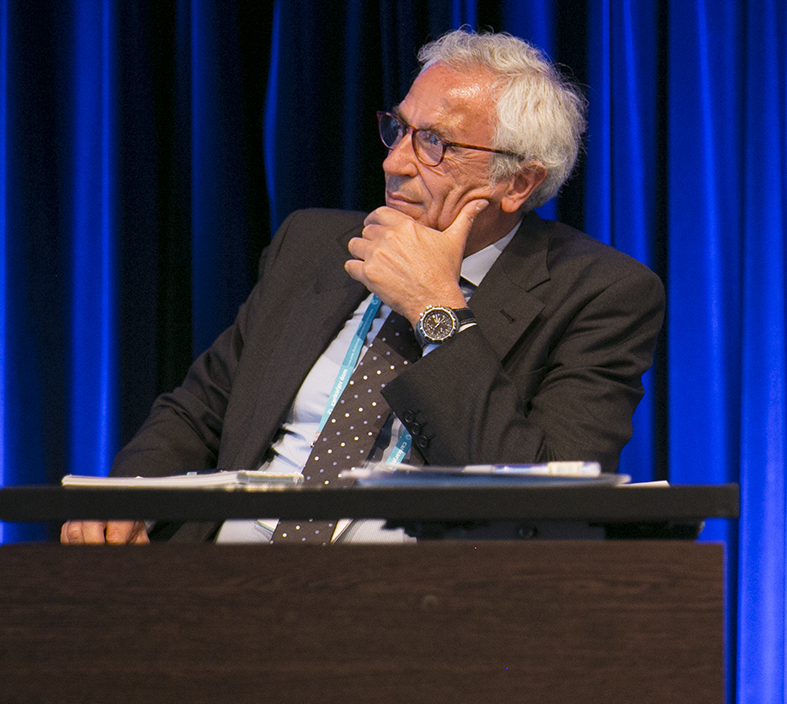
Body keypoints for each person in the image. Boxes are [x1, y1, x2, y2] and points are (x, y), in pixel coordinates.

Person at [62, 30, 662, 544]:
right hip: (228, 571)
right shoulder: (314, 245)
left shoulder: (602, 295)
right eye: (400, 130)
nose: (395, 162)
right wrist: (127, 496)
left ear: (518, 184)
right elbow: (199, 412)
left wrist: (435, 308)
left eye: (436, 144)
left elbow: (540, 509)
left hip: (412, 605)